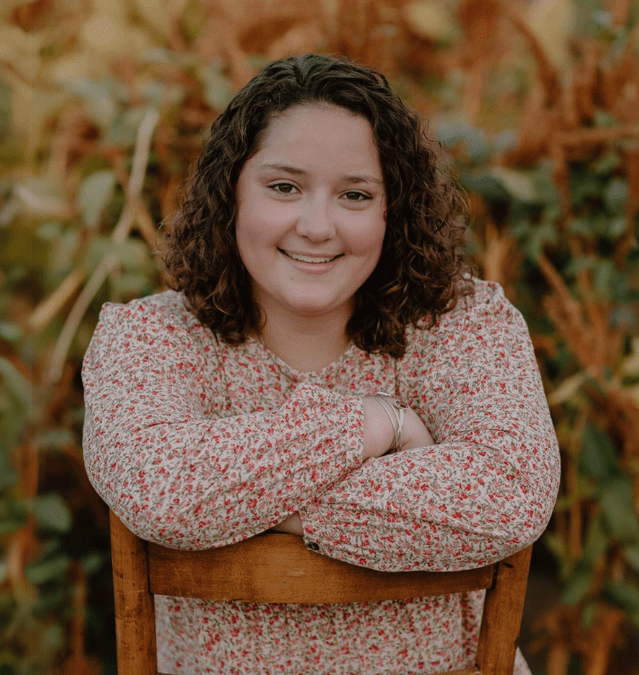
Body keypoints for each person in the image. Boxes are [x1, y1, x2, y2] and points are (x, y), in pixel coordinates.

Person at [82, 54, 560, 675]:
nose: (316, 226)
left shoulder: (460, 325)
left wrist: (250, 504)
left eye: (355, 195)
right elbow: (160, 489)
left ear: (395, 210)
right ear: (231, 193)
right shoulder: (152, 337)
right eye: (284, 187)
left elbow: (512, 492)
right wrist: (377, 426)